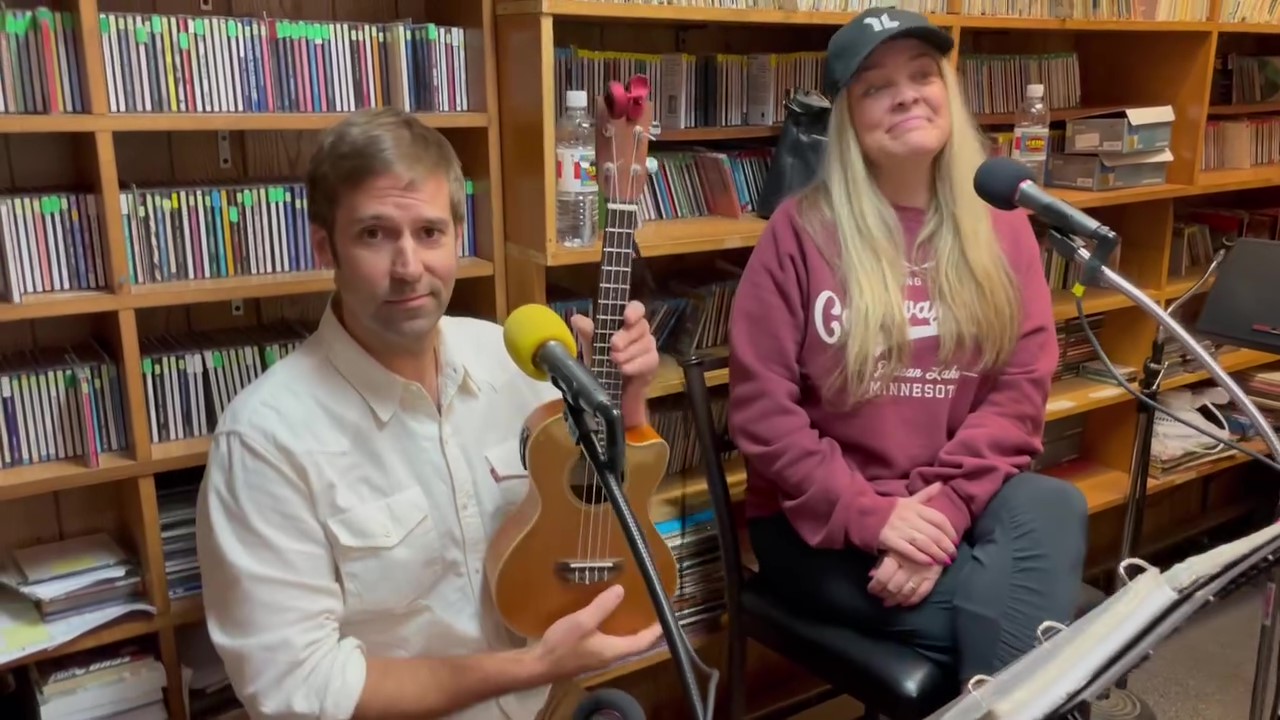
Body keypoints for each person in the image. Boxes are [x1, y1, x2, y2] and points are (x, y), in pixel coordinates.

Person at [195, 107, 664, 720]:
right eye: (374, 234)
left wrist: (627, 403)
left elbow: (596, 512)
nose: (408, 267)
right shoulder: (264, 441)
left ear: (458, 238)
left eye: (429, 232)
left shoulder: (513, 361)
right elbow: (300, 689)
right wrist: (532, 667)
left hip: (542, 700)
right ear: (324, 246)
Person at [726, 8, 1089, 686]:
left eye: (924, 75)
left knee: (1054, 506)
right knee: (1035, 627)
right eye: (875, 86)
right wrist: (875, 517)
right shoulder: (799, 232)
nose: (906, 95)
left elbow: (1019, 392)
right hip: (823, 520)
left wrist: (940, 514)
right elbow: (762, 414)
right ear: (847, 118)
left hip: (955, 501)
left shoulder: (1002, 225)